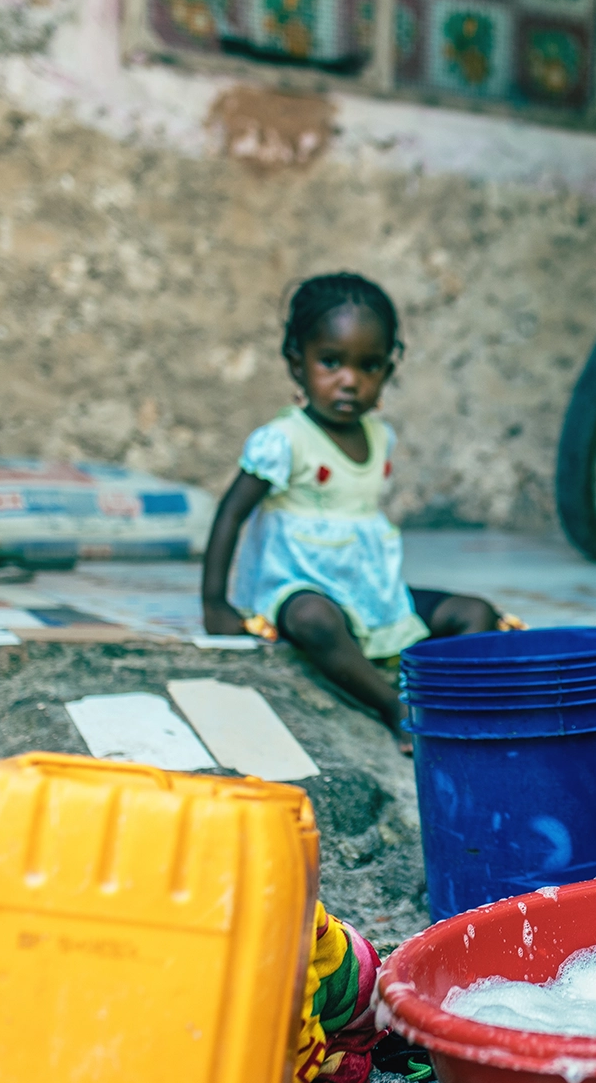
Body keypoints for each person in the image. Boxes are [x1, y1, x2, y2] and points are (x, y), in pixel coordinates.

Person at [201, 272, 500, 751]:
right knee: (316, 622)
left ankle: (439, 699)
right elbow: (231, 514)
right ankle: (391, 705)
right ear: (297, 364)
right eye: (332, 362)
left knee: (475, 614)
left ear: (387, 371)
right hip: (298, 588)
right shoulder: (285, 441)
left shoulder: (380, 437)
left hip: (368, 592)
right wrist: (214, 603)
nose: (350, 381)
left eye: (369, 366)